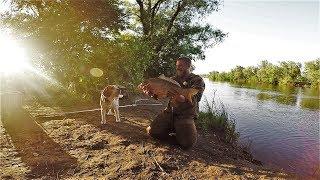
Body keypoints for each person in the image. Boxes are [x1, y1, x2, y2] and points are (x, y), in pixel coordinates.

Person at [139, 57, 205, 149]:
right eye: (177, 66)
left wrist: (181, 97)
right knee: (151, 132)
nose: (178, 68)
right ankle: (175, 132)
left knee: (188, 144)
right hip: (170, 112)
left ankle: (181, 132)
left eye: (181, 65)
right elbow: (160, 95)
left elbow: (196, 99)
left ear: (189, 66)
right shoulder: (172, 79)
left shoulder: (197, 80)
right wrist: (151, 94)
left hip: (186, 114)